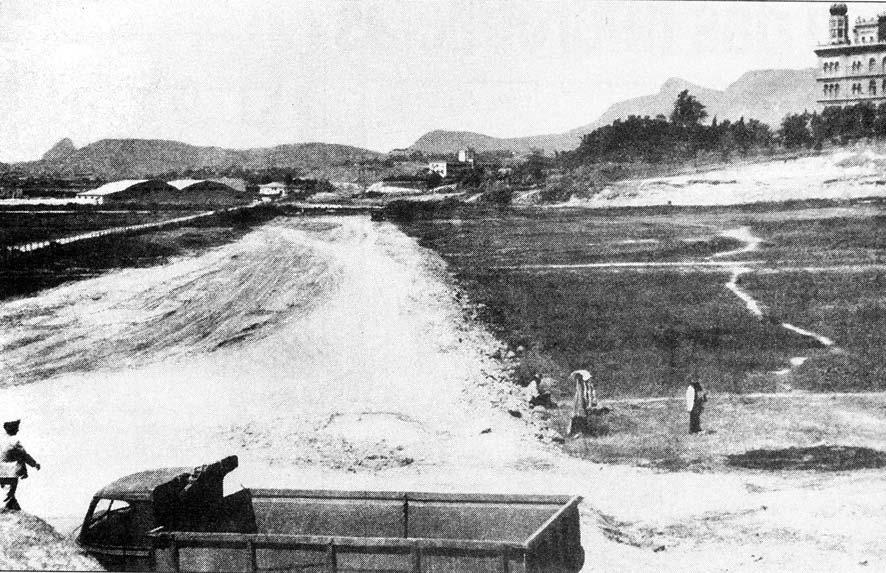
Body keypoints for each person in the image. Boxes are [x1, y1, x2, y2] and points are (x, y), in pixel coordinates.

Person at [1, 420, 40, 511]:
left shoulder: (1, 439)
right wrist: (34, 464)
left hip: (1, 472)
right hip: (10, 472)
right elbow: (24, 455)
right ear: (13, 429)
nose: (18, 430)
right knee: (10, 492)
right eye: (16, 428)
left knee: (7, 491)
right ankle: (11, 503)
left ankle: (12, 502)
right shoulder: (15, 441)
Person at [568, 370, 597, 436]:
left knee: (582, 417)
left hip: (583, 404)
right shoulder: (579, 386)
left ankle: (583, 431)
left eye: (579, 377)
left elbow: (589, 394)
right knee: (577, 417)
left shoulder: (586, 385)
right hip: (579, 404)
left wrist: (590, 403)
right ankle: (576, 431)